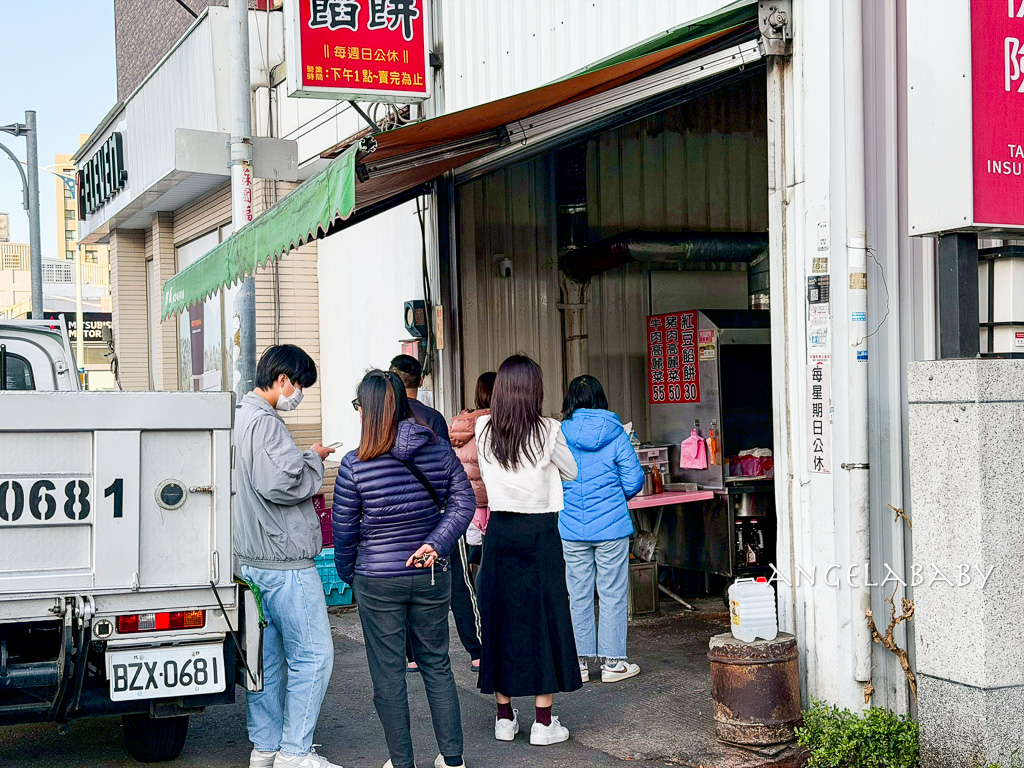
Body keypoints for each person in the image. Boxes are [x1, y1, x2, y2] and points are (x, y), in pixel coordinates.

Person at [332, 370, 476, 768]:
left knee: (389, 674)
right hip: (430, 574)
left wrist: (352, 576)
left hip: (377, 579)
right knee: (437, 665)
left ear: (369, 410)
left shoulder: (354, 465)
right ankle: (452, 759)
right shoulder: (438, 450)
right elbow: (463, 503)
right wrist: (435, 544)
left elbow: (343, 534)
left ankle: (402, 763)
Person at [233, 345, 340, 768]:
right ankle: (295, 751)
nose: (299, 394)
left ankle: (266, 747)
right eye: (299, 386)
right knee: (314, 655)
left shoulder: (239, 418)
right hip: (285, 563)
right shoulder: (265, 423)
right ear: (282, 380)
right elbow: (280, 483)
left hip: (251, 561)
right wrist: (313, 460)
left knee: (266, 659)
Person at [475, 355, 581, 747]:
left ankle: (504, 717)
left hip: (500, 530)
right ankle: (543, 722)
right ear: (534, 391)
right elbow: (571, 471)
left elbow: (487, 474)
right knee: (545, 617)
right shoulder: (548, 430)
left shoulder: (484, 428)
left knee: (500, 617)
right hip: (540, 533)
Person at [559, 375, 645, 684]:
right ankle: (613, 664)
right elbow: (635, 479)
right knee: (612, 593)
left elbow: (553, 477)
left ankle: (579, 663)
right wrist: (613, 499)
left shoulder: (559, 434)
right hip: (611, 528)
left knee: (578, 594)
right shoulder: (616, 433)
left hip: (571, 528)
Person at [450, 372, 497, 576]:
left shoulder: (463, 426)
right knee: (494, 560)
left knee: (472, 558)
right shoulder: (498, 423)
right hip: (496, 501)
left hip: (468, 501)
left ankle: (476, 601)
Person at [390, 354, 449, 441]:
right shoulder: (434, 418)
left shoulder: (381, 416)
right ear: (421, 381)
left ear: (391, 383)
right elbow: (445, 453)